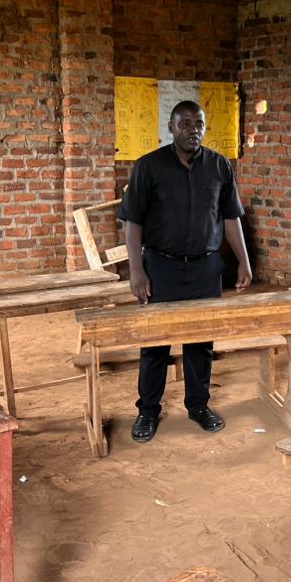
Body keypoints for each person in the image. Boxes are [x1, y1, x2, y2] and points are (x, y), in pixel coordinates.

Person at [117, 100, 252, 443]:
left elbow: (230, 218)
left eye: (199, 123)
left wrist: (244, 261)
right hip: (160, 267)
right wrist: (136, 270)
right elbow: (133, 223)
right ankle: (147, 411)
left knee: (200, 342)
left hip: (206, 267)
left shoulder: (219, 166)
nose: (193, 129)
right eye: (185, 123)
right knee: (155, 343)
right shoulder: (148, 167)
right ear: (171, 128)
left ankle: (198, 406)